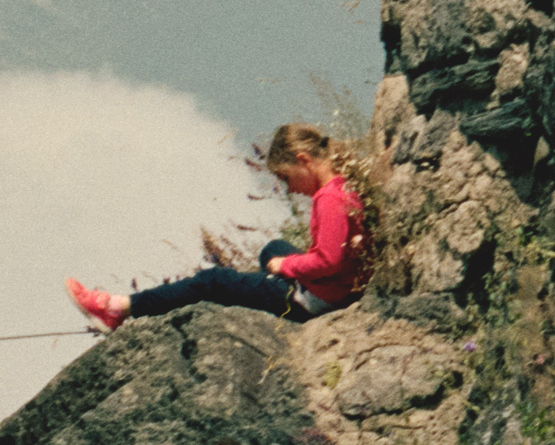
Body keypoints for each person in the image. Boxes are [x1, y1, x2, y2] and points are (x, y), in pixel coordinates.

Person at [70, 121, 367, 333]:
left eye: (288, 178)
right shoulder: (345, 185)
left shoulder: (329, 200)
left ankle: (118, 307)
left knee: (212, 281)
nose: (291, 189)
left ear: (303, 161)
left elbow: (328, 260)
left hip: (316, 302)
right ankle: (263, 289)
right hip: (336, 290)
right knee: (271, 249)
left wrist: (287, 266)